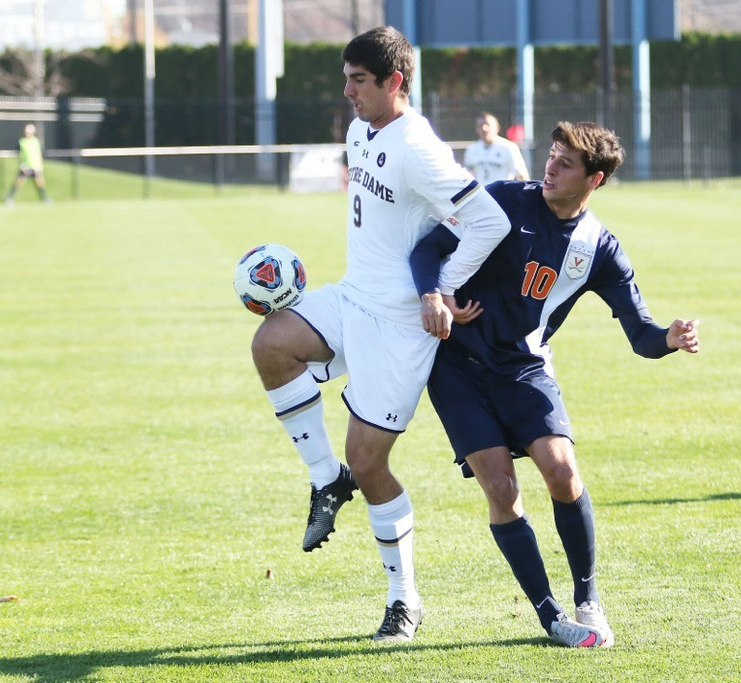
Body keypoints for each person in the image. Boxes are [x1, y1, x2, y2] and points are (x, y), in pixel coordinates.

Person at [249, 26, 510, 642]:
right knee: (271, 345)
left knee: (371, 465)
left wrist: (441, 289)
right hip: (351, 296)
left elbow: (488, 221)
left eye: (358, 81)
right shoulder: (360, 129)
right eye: (346, 79)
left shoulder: (418, 147)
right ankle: (323, 478)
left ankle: (405, 600)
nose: (347, 91)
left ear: (395, 82)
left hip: (398, 327)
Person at [410, 121, 700, 648]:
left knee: (563, 472)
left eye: (566, 164)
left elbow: (640, 333)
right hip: (459, 369)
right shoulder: (500, 200)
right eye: (552, 156)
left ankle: (588, 601)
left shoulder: (598, 247)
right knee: (500, 487)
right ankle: (549, 616)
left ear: (596, 180)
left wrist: (670, 339)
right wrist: (434, 296)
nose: (550, 167)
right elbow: (427, 250)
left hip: (525, 370)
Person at [463, 112, 530, 186]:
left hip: (501, 195)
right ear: (476, 129)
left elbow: (521, 175)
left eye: (487, 124)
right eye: (480, 125)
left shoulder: (508, 147)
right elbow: (467, 175)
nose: (484, 128)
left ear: (497, 127)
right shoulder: (472, 149)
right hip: (480, 194)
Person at [5, 124, 51, 205]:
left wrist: (40, 165)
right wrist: (22, 164)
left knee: (39, 183)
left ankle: (45, 198)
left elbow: (40, 154)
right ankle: (10, 198)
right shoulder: (21, 141)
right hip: (26, 167)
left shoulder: (36, 141)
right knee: (18, 182)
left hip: (35, 166)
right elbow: (19, 154)